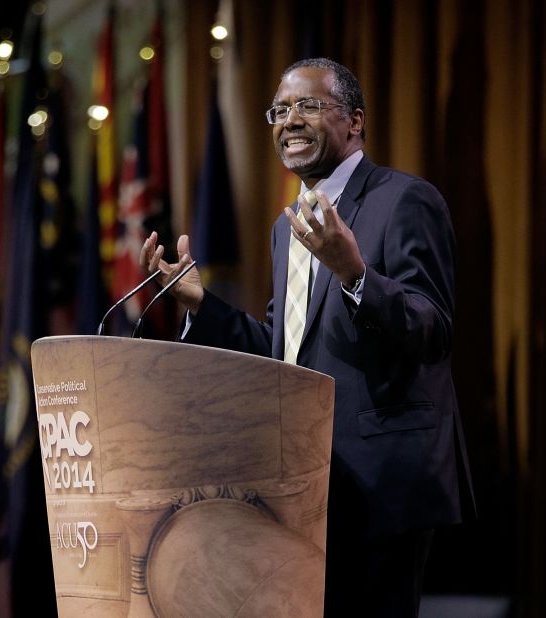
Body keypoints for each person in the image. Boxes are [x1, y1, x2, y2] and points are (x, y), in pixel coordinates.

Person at [140, 57, 475, 617]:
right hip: (303, 479)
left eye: (308, 105)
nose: (289, 119)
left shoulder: (404, 200)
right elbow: (284, 351)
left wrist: (355, 275)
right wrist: (203, 305)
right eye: (279, 110)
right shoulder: (287, 226)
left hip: (380, 485)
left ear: (355, 121)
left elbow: (432, 329)